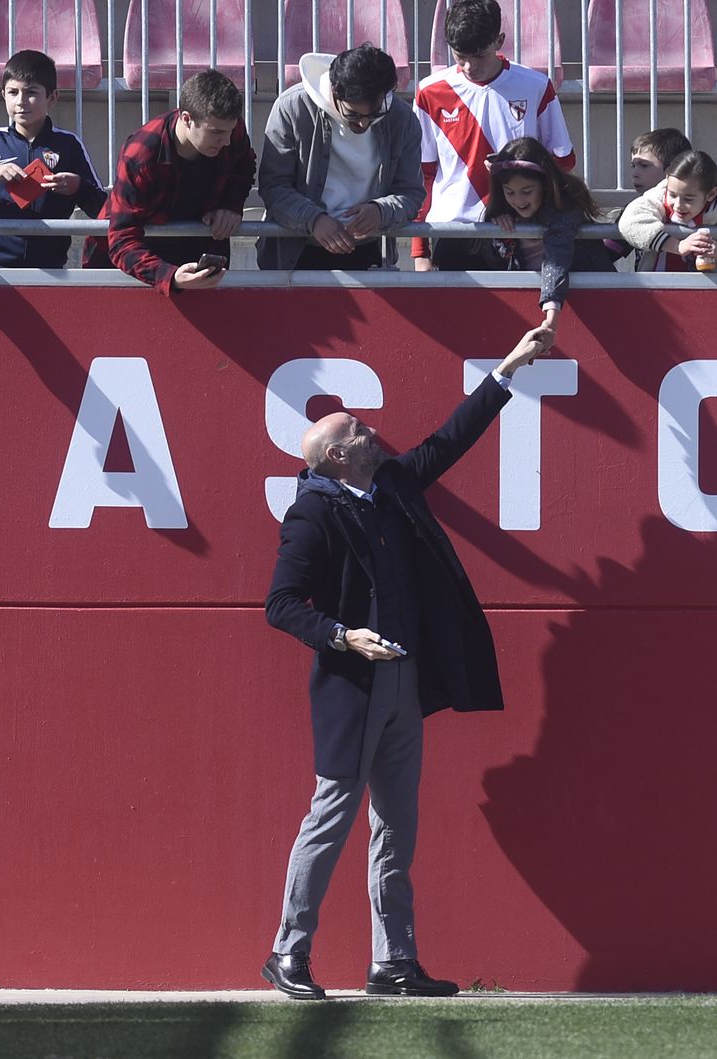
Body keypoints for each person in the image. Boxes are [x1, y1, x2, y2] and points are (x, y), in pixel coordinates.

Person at [262, 322, 554, 1001]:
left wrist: (508, 365)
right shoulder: (313, 514)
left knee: (397, 824)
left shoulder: (389, 483)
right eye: (359, 430)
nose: (373, 432)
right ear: (338, 456)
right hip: (352, 684)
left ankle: (393, 961)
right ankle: (287, 952)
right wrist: (342, 635)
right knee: (330, 818)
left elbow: (449, 441)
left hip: (402, 681)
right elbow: (280, 603)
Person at [411, 0, 574, 271]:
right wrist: (420, 251)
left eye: (479, 55)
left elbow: (563, 162)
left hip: (520, 232)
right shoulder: (430, 92)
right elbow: (422, 173)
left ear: (499, 41)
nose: (469, 66)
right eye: (460, 55)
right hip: (453, 230)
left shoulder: (535, 86)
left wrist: (520, 204)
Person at [85, 68, 256, 294]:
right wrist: (169, 276)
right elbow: (121, 240)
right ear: (186, 119)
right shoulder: (140, 156)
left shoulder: (228, 127)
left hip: (197, 262)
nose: (226, 140)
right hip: (131, 273)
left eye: (230, 131)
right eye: (216, 133)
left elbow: (244, 166)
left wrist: (231, 206)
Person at [256, 44, 423, 271]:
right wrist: (314, 220)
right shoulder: (291, 108)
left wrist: (381, 211)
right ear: (333, 91)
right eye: (353, 115)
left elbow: (411, 192)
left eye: (374, 115)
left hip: (369, 250)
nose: (363, 123)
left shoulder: (402, 118)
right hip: (296, 251)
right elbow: (273, 186)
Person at [0, 49, 107, 268]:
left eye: (31, 92)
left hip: (52, 267)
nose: (21, 101)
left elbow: (104, 210)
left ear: (52, 98)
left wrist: (78, 187)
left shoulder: (69, 145)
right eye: (13, 92)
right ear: (3, 95)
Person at [483, 137, 612, 340]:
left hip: (588, 308)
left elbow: (556, 258)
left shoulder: (566, 208)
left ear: (545, 184)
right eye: (510, 192)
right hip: (531, 309)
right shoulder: (500, 212)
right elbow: (493, 261)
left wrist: (551, 318)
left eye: (527, 192)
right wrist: (498, 230)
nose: (518, 200)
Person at [605, 127, 695, 265]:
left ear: (674, 169)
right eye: (633, 166)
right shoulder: (636, 210)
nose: (635, 173)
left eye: (644, 165)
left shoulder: (703, 205)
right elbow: (608, 253)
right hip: (651, 285)